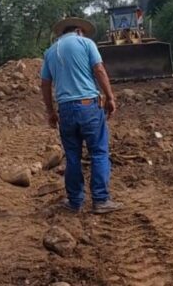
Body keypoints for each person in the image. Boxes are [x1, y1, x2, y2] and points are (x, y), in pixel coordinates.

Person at [40, 17, 122, 214]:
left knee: (73, 156)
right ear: (78, 30)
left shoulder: (50, 52)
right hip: (88, 107)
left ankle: (75, 201)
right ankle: (101, 200)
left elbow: (45, 84)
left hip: (66, 110)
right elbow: (99, 70)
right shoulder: (86, 43)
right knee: (99, 152)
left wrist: (51, 111)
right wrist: (110, 97)